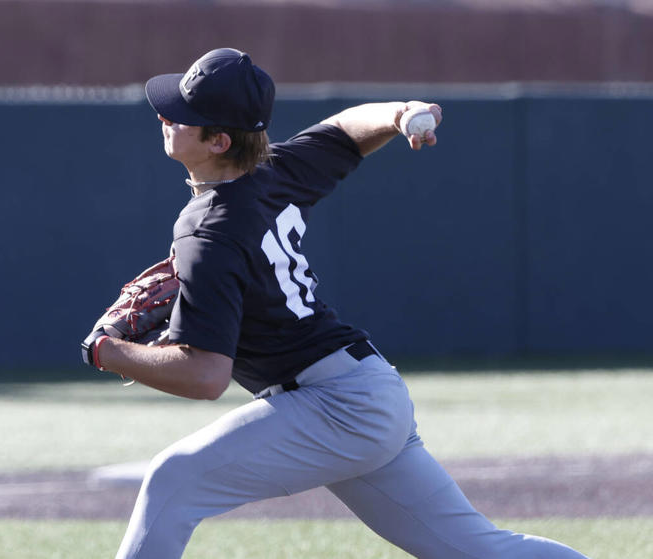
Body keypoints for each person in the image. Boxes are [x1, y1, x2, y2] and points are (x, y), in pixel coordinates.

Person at [82, 48, 590, 559]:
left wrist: (106, 351)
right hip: (364, 392)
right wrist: (400, 113)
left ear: (219, 140)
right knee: (479, 550)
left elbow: (205, 376)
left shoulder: (208, 231)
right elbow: (348, 127)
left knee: (174, 479)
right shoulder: (271, 171)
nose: (165, 117)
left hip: (334, 405)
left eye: (182, 115)